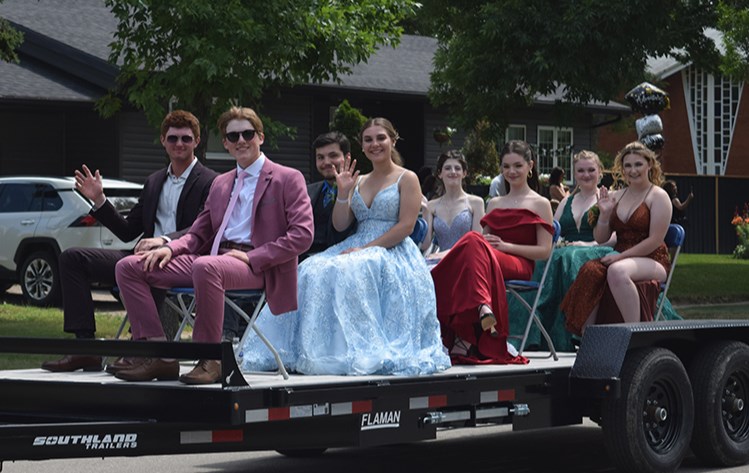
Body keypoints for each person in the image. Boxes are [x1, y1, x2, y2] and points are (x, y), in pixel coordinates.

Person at [113, 106, 314, 384]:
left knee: (207, 266)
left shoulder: (287, 178)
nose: (241, 140)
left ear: (261, 137)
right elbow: (198, 233)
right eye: (233, 136)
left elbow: (302, 235)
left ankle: (211, 359)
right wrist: (169, 248)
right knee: (129, 267)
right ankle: (158, 353)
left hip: (257, 265)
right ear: (226, 144)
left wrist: (253, 256)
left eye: (247, 133)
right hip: (213, 260)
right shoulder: (220, 183)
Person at [239, 117, 450, 376]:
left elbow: (406, 226)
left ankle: (349, 351)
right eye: (368, 140)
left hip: (392, 248)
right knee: (311, 267)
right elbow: (341, 224)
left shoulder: (408, 179)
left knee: (352, 267)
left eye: (380, 138)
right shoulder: (358, 180)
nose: (375, 144)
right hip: (358, 242)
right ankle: (308, 350)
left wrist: (368, 249)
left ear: (392, 140)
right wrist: (343, 193)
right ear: (362, 146)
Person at [41, 110, 218, 373]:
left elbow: (204, 228)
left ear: (197, 141)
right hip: (141, 258)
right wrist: (99, 200)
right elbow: (127, 230)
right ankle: (86, 348)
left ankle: (146, 351)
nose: (179, 144)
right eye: (173, 139)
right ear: (162, 141)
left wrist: (164, 241)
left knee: (139, 266)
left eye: (186, 138)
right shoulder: (155, 181)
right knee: (72, 258)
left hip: (182, 260)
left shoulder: (211, 181)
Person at [430, 140, 554, 364]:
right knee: (472, 240)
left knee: (471, 242)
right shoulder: (495, 203)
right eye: (506, 166)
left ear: (530, 166)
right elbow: (480, 242)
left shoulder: (541, 203)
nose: (511, 171)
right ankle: (481, 307)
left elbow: (544, 251)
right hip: (488, 264)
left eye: (517, 165)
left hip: (520, 263)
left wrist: (507, 247)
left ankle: (471, 321)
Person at [561, 141, 672, 335]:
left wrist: (620, 257)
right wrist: (604, 215)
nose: (633, 170)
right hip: (621, 253)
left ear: (649, 165)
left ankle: (635, 333)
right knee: (589, 270)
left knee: (617, 271)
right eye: (627, 165)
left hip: (652, 258)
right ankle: (590, 337)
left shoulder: (658, 196)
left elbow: (654, 240)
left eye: (638, 164)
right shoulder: (616, 195)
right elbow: (602, 239)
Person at [422, 150, 485, 259]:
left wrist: (445, 254)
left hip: (467, 261)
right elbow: (425, 244)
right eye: (447, 168)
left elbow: (476, 243)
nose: (453, 172)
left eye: (457, 168)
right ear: (440, 174)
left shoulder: (476, 203)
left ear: (464, 173)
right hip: (441, 263)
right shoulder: (431, 206)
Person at [305, 131, 357, 257]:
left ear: (347, 157)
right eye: (320, 157)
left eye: (333, 155)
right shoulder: (306, 191)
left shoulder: (360, 190)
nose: (326, 162)